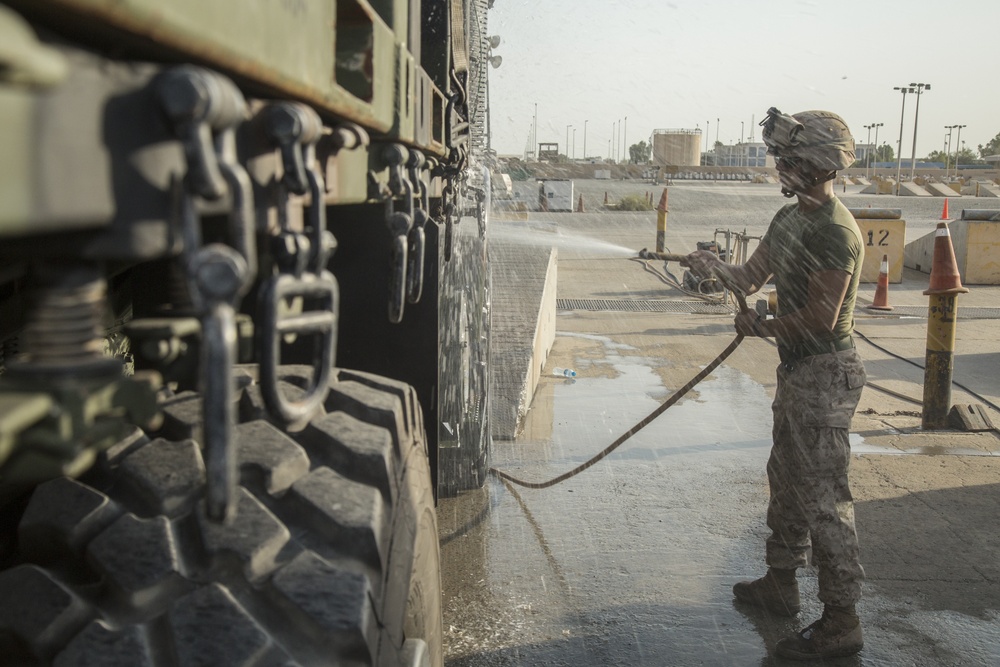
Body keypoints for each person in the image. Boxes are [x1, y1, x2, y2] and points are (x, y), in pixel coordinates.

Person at [684, 108, 867, 661]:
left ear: (818, 164)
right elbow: (749, 277)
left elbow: (823, 317)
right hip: (797, 372)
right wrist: (716, 267)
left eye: (790, 158)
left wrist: (762, 327)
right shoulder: (789, 220)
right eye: (779, 156)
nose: (780, 166)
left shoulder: (835, 231)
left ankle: (841, 620)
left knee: (825, 501)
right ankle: (781, 583)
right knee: (786, 479)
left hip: (826, 375)